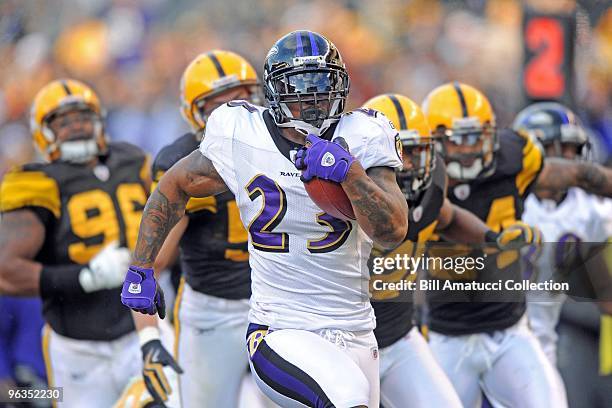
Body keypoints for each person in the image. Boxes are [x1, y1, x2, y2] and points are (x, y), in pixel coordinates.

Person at [122, 30, 409, 408]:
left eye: (323, 85)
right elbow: (173, 186)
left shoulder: (363, 134)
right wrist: (141, 266)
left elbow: (393, 232)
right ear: (275, 93)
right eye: (299, 87)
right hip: (281, 327)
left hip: (356, 329)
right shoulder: (242, 134)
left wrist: (352, 176)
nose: (313, 98)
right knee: (345, 400)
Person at [363, 93, 537, 408]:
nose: (408, 164)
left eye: (415, 151)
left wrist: (492, 238)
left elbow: (450, 216)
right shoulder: (339, 197)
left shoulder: (430, 188)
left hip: (400, 337)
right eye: (396, 153)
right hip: (346, 339)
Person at [0, 79, 150, 406]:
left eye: (83, 117)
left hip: (141, 331)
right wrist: (85, 277)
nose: (76, 127)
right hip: (78, 347)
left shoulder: (134, 161)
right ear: (43, 131)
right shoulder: (35, 181)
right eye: (62, 122)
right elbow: (5, 271)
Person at [422, 82, 567, 408]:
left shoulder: (514, 157)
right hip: (447, 335)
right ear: (432, 143)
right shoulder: (417, 176)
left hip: (509, 330)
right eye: (456, 140)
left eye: (476, 137)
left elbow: (572, 177)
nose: (468, 149)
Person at [142, 50, 263, 407]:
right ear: (195, 115)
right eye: (217, 107)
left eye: (240, 102)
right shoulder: (184, 164)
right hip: (214, 310)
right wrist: (148, 339)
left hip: (280, 301)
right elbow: (152, 261)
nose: (233, 117)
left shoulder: (281, 143)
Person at [516, 101, 611, 366]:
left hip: (543, 341)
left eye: (574, 148)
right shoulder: (505, 202)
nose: (571, 158)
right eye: (563, 148)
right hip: (483, 332)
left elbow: (603, 288)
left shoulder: (588, 210)